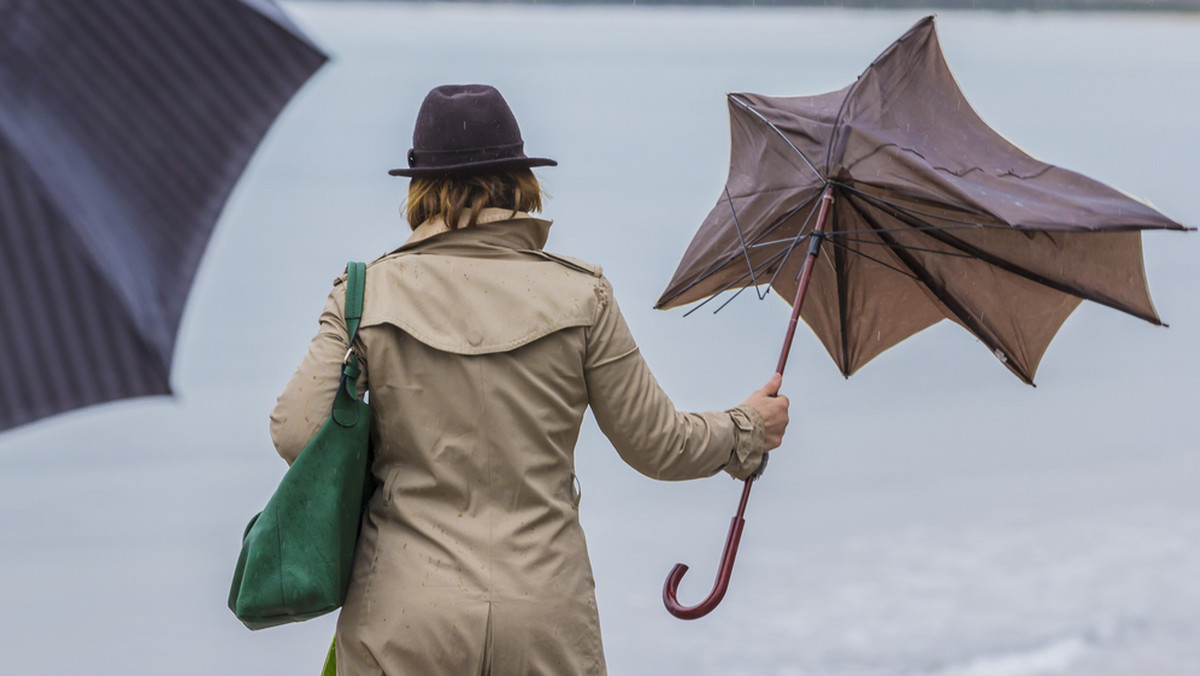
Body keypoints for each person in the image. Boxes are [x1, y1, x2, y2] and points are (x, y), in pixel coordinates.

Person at [269, 84, 790, 676]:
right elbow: (658, 445)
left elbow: (296, 431)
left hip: (404, 614)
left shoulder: (365, 294)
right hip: (544, 615)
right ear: (520, 181)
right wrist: (747, 428)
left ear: (418, 189)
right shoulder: (582, 294)